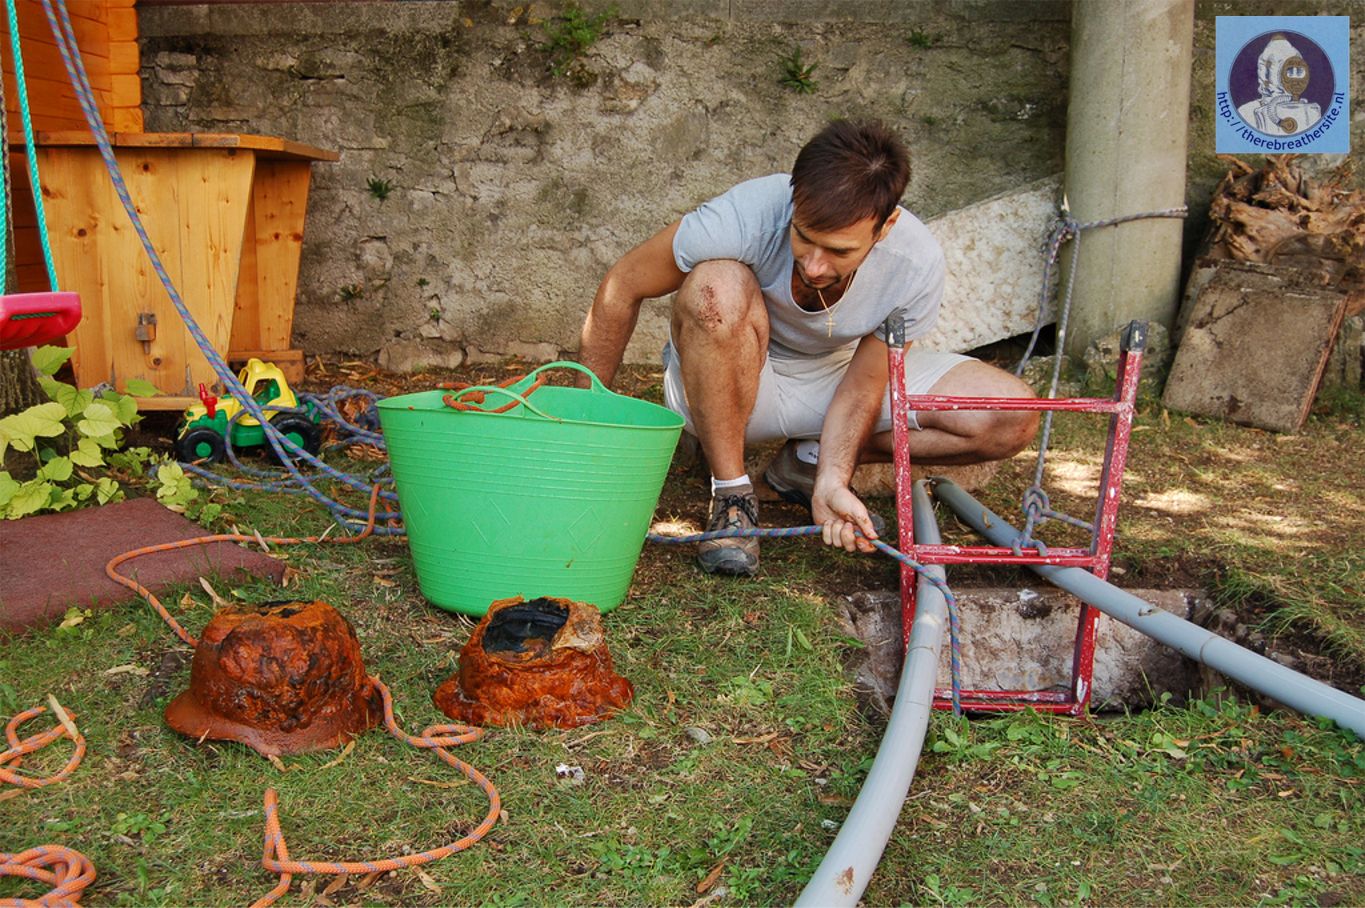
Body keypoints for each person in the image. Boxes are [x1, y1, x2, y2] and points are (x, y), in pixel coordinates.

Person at [578, 119, 1038, 576]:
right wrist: (581, 418)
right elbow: (624, 284)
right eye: (804, 237)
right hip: (731, 376)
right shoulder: (747, 214)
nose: (815, 266)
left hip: (836, 377)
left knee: (1009, 414)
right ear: (793, 199)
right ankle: (732, 494)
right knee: (714, 286)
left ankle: (806, 465)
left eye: (839, 251)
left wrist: (834, 479)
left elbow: (864, 387)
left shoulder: (915, 262)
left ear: (886, 226)